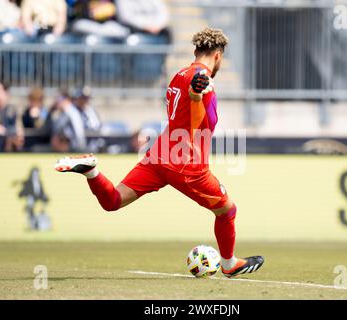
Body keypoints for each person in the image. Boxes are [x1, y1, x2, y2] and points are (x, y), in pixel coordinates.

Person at [55, 28, 264, 278]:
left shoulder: (178, 75)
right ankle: (229, 265)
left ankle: (92, 172)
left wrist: (195, 95)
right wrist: (197, 95)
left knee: (113, 201)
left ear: (196, 51)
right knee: (227, 210)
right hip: (186, 164)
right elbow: (198, 123)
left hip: (159, 154)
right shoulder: (203, 79)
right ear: (218, 56)